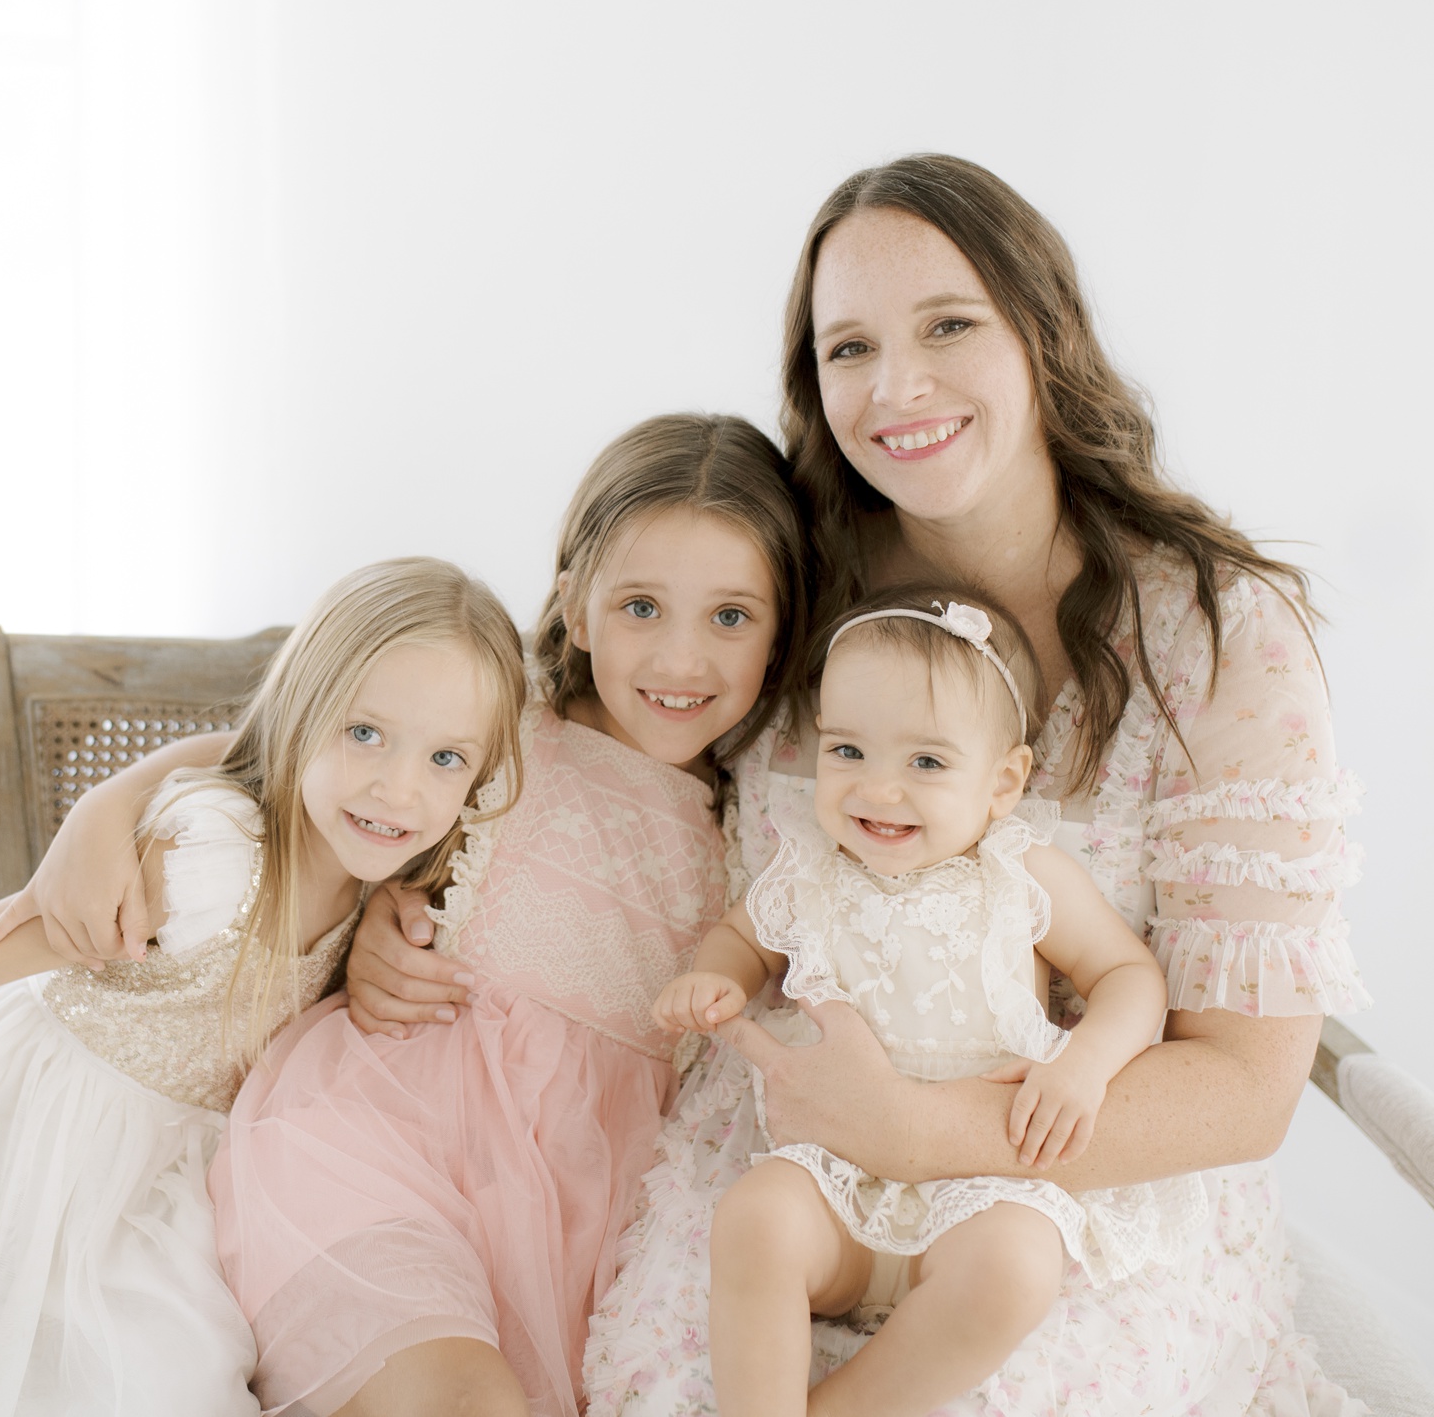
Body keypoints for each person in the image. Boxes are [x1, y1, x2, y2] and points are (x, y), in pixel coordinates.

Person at [581, 154, 1370, 1415]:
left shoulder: (1221, 639)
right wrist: (195, 786)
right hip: (783, 1160)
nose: (898, 387)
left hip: (1072, 1194)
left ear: (1043, 335)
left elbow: (1245, 1084)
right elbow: (559, 688)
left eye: (949, 324)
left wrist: (920, 1132)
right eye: (848, 348)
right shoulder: (799, 581)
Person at [0, 412, 809, 1416]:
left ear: (781, 633)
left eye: (730, 616)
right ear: (577, 608)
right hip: (378, 1139)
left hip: (580, 1219)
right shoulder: (504, 723)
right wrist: (104, 807)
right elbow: (273, 749)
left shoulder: (758, 821)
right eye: (641, 605)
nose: (680, 658)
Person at [0, 558, 526, 1417]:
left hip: (176, 1175)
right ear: (306, 709)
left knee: (175, 1369)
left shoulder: (391, 876)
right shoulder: (213, 859)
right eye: (366, 733)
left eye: (444, 756)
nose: (399, 787)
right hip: (31, 1135)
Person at [625, 582, 1201, 1417]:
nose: (877, 790)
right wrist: (717, 976)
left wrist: (1086, 1064)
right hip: (834, 1174)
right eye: (847, 751)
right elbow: (745, 937)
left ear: (1003, 783)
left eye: (926, 762)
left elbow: (1129, 975)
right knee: (755, 1220)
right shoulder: (812, 869)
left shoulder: (1021, 873)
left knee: (1018, 1267)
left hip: (977, 1182)